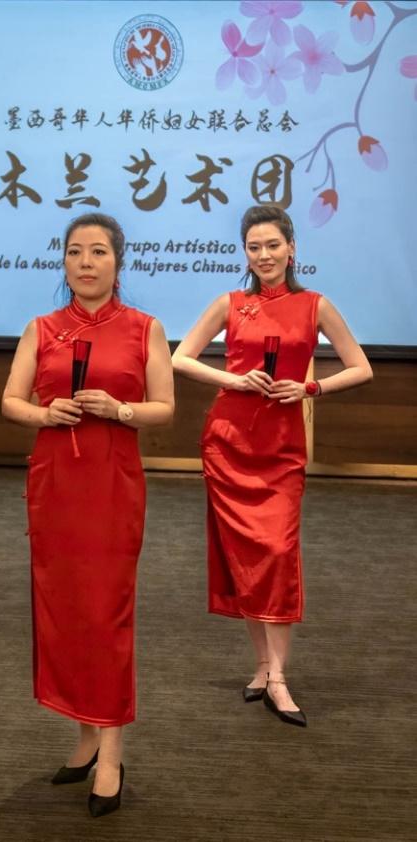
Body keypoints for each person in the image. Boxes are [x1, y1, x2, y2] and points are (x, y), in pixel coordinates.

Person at [172, 204, 373, 727]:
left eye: (272, 245)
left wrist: (310, 387)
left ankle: (280, 679)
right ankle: (263, 668)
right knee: (245, 560)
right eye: (254, 247)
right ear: (246, 252)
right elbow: (180, 358)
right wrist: (233, 380)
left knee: (278, 554)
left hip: (281, 450)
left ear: (292, 248)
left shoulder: (315, 305)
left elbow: (361, 367)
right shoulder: (231, 303)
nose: (263, 255)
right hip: (228, 443)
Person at [2, 212, 174, 817]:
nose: (85, 262)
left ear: (117, 261)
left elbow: (164, 407)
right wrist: (46, 415)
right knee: (67, 610)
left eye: (98, 251)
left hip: (110, 482)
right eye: (75, 252)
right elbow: (10, 401)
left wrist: (120, 409)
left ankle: (111, 751)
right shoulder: (41, 328)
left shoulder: (144, 328)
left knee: (107, 613)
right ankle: (83, 736)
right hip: (55, 481)